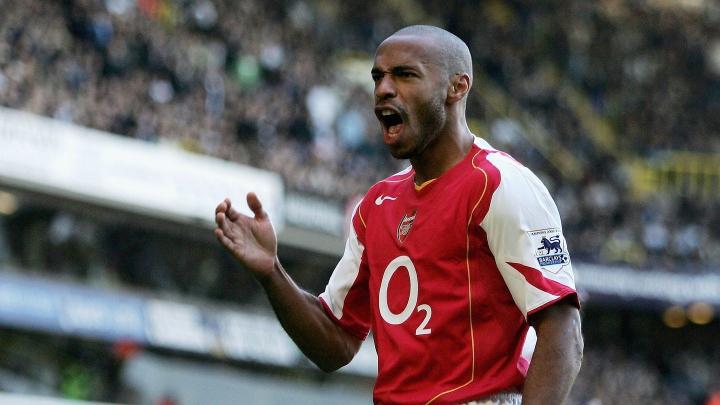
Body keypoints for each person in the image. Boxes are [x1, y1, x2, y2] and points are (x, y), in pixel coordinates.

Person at [214, 25, 583, 405]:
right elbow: (335, 342)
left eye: (405, 75)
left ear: (457, 87)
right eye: (378, 77)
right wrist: (271, 272)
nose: (383, 89)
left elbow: (563, 330)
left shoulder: (500, 184)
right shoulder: (377, 205)